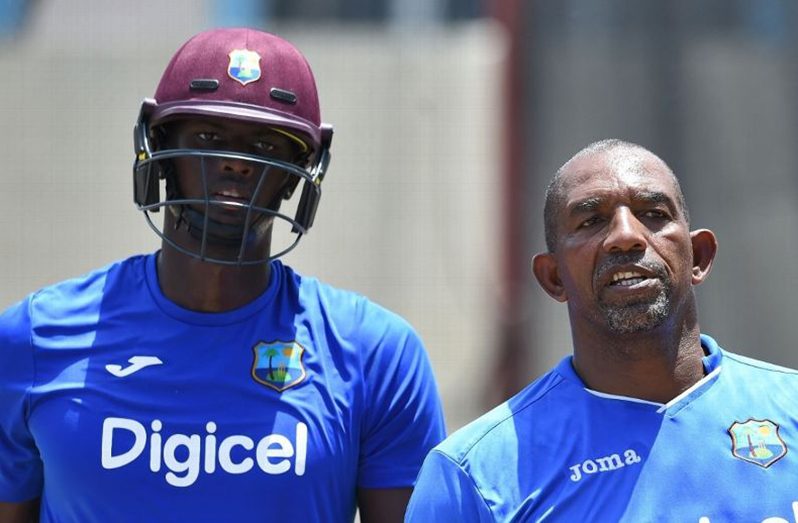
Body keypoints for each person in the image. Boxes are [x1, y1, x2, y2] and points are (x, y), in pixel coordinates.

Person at [0, 27, 445, 523]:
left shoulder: (375, 354)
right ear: (158, 148)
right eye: (210, 136)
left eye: (265, 145)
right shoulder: (34, 340)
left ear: (303, 171)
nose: (236, 163)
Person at [406, 139, 798, 522]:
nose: (626, 235)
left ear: (699, 256)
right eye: (592, 221)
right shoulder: (473, 475)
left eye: (653, 213)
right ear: (553, 277)